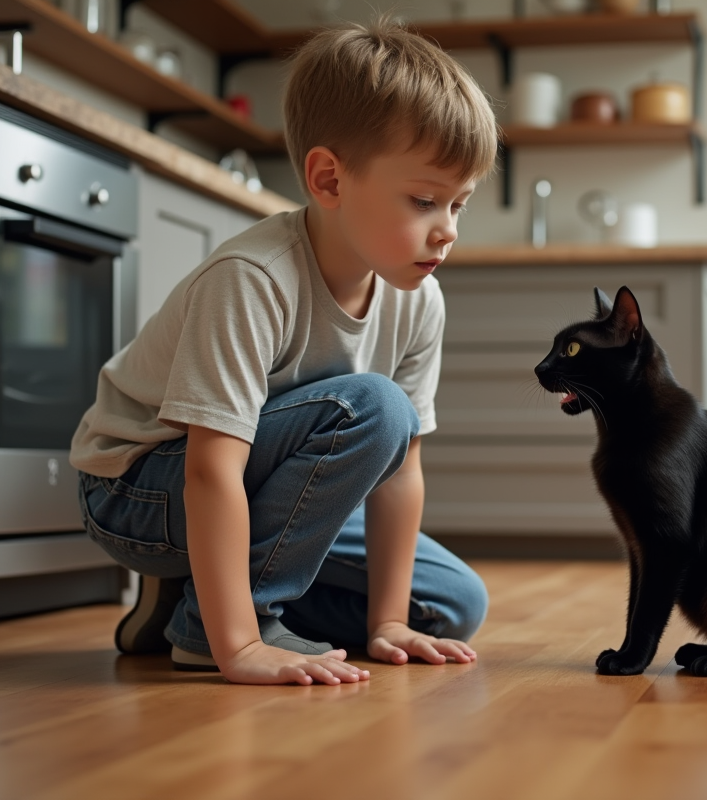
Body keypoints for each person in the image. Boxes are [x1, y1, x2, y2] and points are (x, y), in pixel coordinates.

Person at [69, 20, 496, 686]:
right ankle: (217, 623)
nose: (447, 230)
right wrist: (237, 646)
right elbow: (211, 471)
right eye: (424, 200)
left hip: (259, 485)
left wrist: (386, 621)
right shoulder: (253, 278)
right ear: (329, 179)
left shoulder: (420, 300)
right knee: (378, 408)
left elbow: (401, 474)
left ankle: (191, 598)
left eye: (459, 204)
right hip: (141, 489)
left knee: (450, 605)